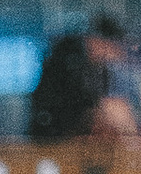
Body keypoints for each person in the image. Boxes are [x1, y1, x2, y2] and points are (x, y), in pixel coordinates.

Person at [28, 13, 130, 144]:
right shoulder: (67, 60)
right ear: (99, 41)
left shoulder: (98, 69)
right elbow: (58, 104)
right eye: (113, 48)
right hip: (54, 136)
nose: (115, 55)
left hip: (72, 134)